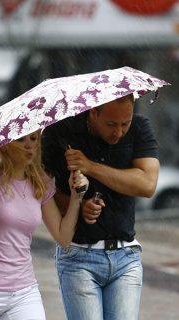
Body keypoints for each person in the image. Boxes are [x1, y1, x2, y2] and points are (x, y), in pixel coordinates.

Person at [42, 94, 159, 320]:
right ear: (93, 112)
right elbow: (45, 193)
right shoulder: (62, 132)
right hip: (78, 256)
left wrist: (90, 166)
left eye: (125, 123)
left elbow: (147, 184)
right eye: (111, 124)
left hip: (126, 256)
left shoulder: (140, 128)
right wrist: (77, 205)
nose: (118, 132)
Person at [0, 131, 88, 320]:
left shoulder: (40, 183)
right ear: (5, 143)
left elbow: (63, 237)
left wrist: (76, 198)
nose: (29, 145)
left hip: (25, 292)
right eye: (20, 139)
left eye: (33, 139)